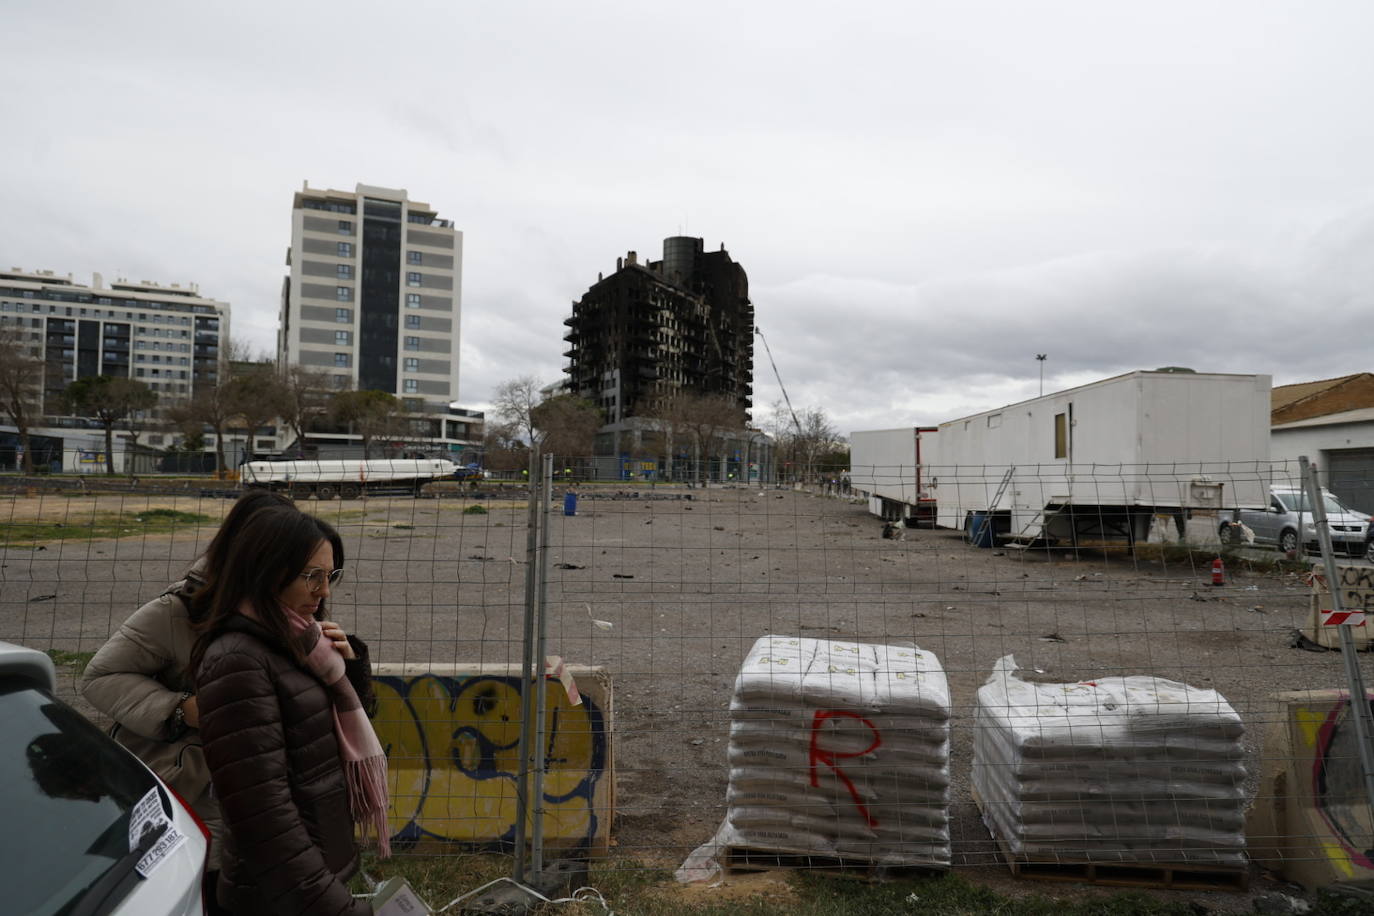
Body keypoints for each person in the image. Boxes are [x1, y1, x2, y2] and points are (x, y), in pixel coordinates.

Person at [79, 491, 372, 915]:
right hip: (198, 790)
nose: (321, 588)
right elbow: (100, 677)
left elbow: (311, 721)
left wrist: (348, 668)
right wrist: (181, 710)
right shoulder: (181, 610)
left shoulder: (290, 616)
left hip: (270, 807)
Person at [192, 502, 388, 915]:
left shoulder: (302, 644)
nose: (324, 591)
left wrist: (349, 665)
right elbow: (264, 818)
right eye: (310, 577)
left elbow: (322, 740)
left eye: (329, 575)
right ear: (266, 573)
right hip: (279, 897)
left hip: (308, 878)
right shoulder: (238, 661)